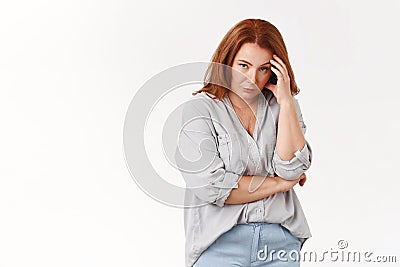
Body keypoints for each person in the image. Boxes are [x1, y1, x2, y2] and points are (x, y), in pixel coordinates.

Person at [174, 18, 313, 267]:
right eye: (244, 65)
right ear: (227, 61)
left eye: (263, 68)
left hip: (279, 243)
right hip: (218, 245)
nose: (252, 78)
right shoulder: (199, 111)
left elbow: (291, 168)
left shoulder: (282, 106)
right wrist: (280, 184)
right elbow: (213, 188)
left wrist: (286, 101)